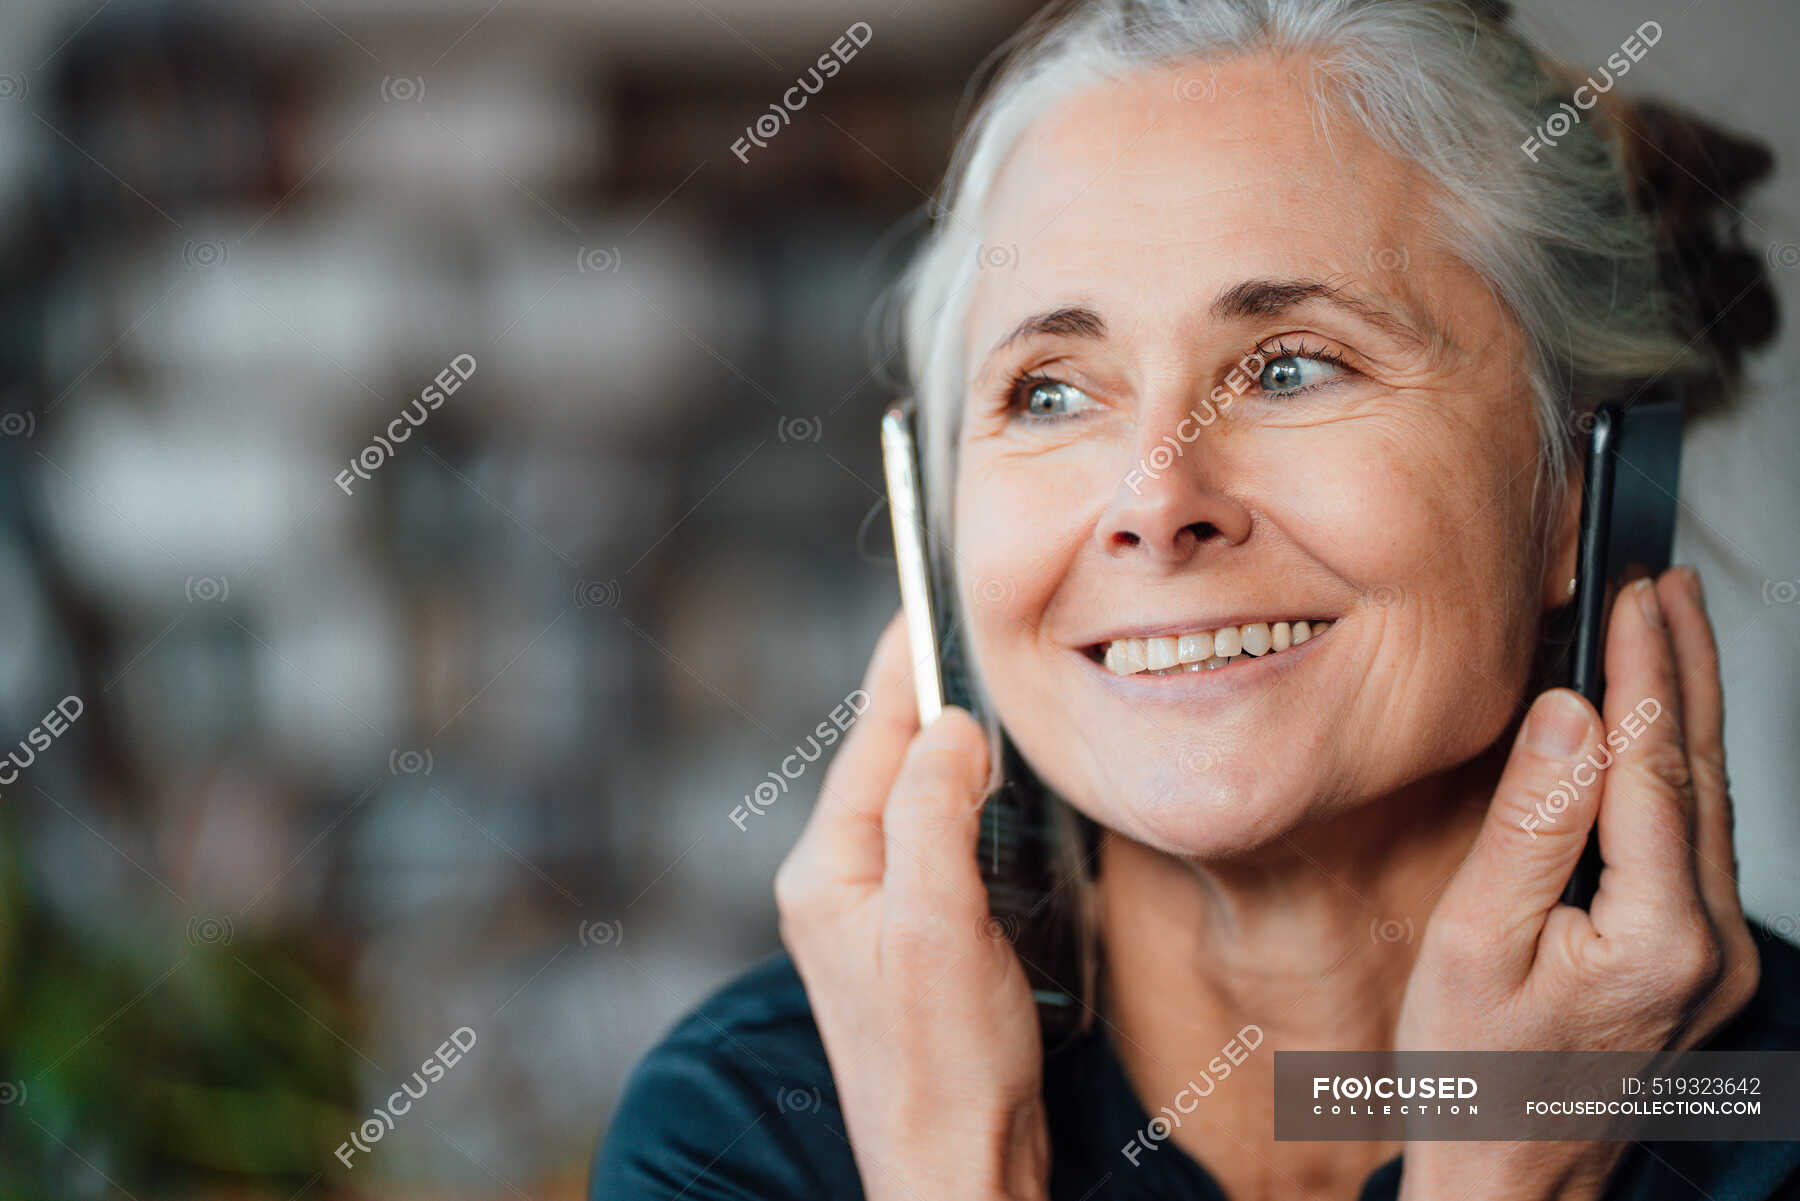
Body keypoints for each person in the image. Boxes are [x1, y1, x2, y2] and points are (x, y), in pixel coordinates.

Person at [595, 1, 1794, 1197]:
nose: (1156, 502)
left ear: (1581, 489)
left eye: (1290, 368)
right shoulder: (748, 1129)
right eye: (1053, 394)